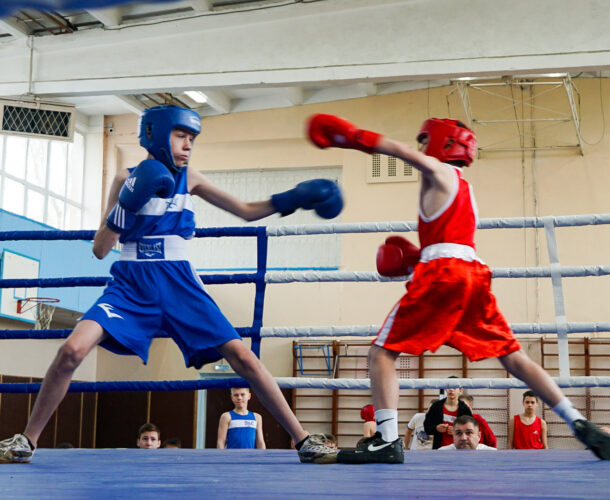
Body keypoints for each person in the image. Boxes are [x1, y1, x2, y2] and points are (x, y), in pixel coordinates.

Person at [0, 105, 343, 465]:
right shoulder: (124, 178)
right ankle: (26, 440)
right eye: (181, 136)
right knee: (71, 350)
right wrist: (127, 205)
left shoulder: (190, 178)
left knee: (243, 356)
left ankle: (303, 440)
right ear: (156, 135)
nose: (188, 145)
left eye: (192, 138)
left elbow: (245, 210)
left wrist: (291, 199)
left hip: (179, 280)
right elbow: (101, 249)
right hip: (130, 283)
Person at [306, 113, 610, 462]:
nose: (420, 146)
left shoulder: (440, 172)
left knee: (381, 354)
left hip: (444, 274)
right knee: (513, 356)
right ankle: (579, 422)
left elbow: (396, 150)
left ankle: (388, 440)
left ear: (441, 143)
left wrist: (347, 135)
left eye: (424, 141)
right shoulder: (464, 187)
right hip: (471, 274)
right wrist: (420, 255)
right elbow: (453, 240)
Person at [424, 378, 472, 450]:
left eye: (454, 387)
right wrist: (436, 428)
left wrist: (457, 432)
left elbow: (470, 431)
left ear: (460, 390)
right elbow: (426, 428)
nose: (451, 390)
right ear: (445, 389)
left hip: (460, 449)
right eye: (449, 387)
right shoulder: (436, 406)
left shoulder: (465, 409)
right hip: (439, 449)